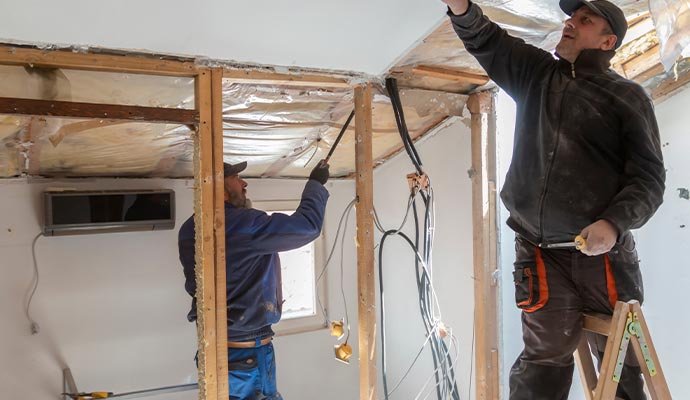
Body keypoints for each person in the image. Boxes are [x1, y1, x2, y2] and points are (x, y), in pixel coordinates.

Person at [441, 0, 665, 398]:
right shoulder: (536, 74)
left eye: (585, 19)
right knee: (543, 360)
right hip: (541, 253)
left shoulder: (627, 97)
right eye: (572, 16)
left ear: (607, 40)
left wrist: (612, 225)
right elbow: (488, 41)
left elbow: (649, 181)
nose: (569, 23)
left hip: (604, 257)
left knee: (621, 368)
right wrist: (460, 7)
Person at [178, 159, 330, 400]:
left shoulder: (189, 229)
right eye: (236, 179)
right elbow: (307, 227)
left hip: (215, 347)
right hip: (245, 352)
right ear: (220, 189)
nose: (244, 183)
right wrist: (315, 184)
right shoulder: (242, 223)